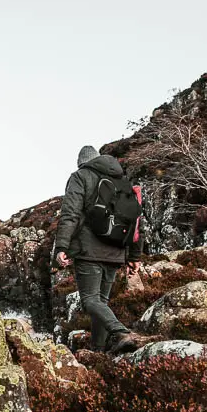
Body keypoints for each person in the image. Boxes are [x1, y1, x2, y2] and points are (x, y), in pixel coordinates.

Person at [53, 145, 143, 354]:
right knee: (101, 302)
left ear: (82, 163)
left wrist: (62, 246)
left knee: (90, 300)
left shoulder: (80, 176)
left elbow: (70, 213)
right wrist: (134, 256)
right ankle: (98, 352)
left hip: (89, 250)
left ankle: (121, 332)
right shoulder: (121, 180)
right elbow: (136, 220)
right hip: (116, 250)